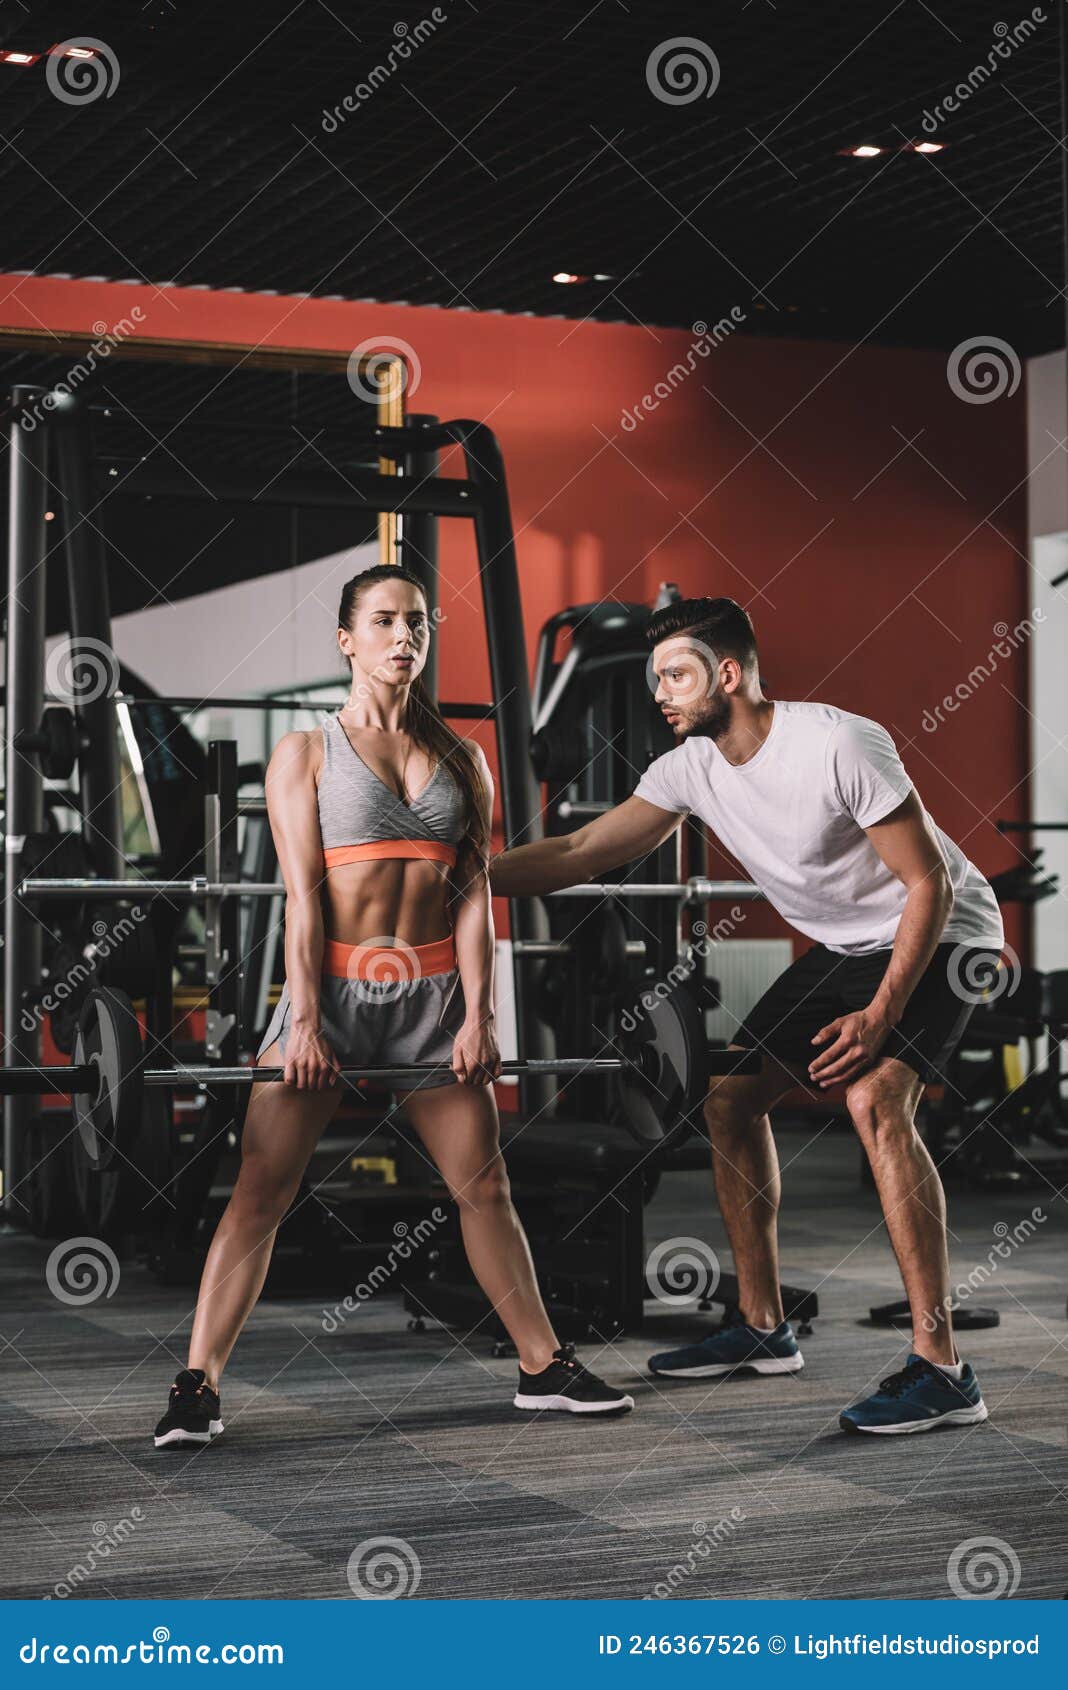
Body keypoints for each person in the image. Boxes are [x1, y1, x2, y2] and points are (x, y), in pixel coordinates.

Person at [489, 595, 1006, 1437]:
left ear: (728, 673)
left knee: (875, 1102)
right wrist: (462, 879)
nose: (662, 692)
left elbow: (929, 885)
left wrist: (880, 1016)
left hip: (947, 933)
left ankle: (944, 1368)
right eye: (655, 677)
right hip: (847, 946)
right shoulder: (687, 768)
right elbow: (582, 852)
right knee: (729, 1096)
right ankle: (763, 1328)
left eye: (677, 674)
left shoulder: (839, 741)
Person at [153, 565, 632, 1448]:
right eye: (383, 621)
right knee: (262, 1189)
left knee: (484, 1186)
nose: (404, 636)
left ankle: (542, 1365)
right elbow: (300, 897)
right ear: (347, 639)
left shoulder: (464, 757)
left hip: (432, 997)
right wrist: (300, 1022)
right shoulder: (306, 753)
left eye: (416, 621)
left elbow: (474, 893)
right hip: (330, 994)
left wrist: (481, 1017)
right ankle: (197, 1384)